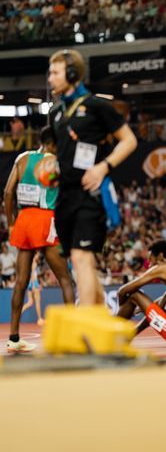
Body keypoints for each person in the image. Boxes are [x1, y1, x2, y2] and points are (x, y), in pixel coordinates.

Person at [48, 48, 137, 305]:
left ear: (73, 73)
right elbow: (59, 152)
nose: (50, 78)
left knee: (81, 256)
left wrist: (103, 167)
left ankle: (85, 334)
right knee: (79, 260)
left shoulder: (97, 106)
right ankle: (99, 321)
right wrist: (53, 168)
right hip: (64, 196)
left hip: (91, 194)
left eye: (55, 72)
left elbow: (129, 141)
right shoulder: (54, 112)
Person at [3, 125, 75, 353]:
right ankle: (72, 336)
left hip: (24, 219)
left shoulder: (22, 158)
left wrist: (12, 221)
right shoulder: (56, 161)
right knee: (65, 279)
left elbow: (7, 192)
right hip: (46, 219)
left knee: (21, 281)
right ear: (54, 143)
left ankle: (13, 338)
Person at [21, 251, 45, 326]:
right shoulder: (34, 261)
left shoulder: (32, 261)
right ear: (35, 254)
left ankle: (18, 313)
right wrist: (34, 285)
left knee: (30, 302)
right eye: (38, 254)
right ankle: (40, 318)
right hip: (33, 283)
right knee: (37, 301)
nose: (39, 255)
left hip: (30, 283)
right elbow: (33, 274)